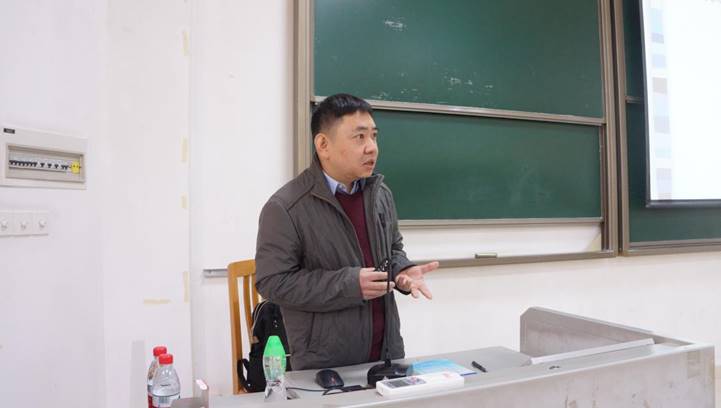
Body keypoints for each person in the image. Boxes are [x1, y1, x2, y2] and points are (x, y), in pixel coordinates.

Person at [255, 93, 439, 370]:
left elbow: (392, 250)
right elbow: (273, 282)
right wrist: (349, 285)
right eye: (359, 137)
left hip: (387, 352)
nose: (372, 148)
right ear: (323, 145)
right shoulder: (286, 207)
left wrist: (401, 270)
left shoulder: (380, 195)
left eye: (374, 136)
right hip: (326, 364)